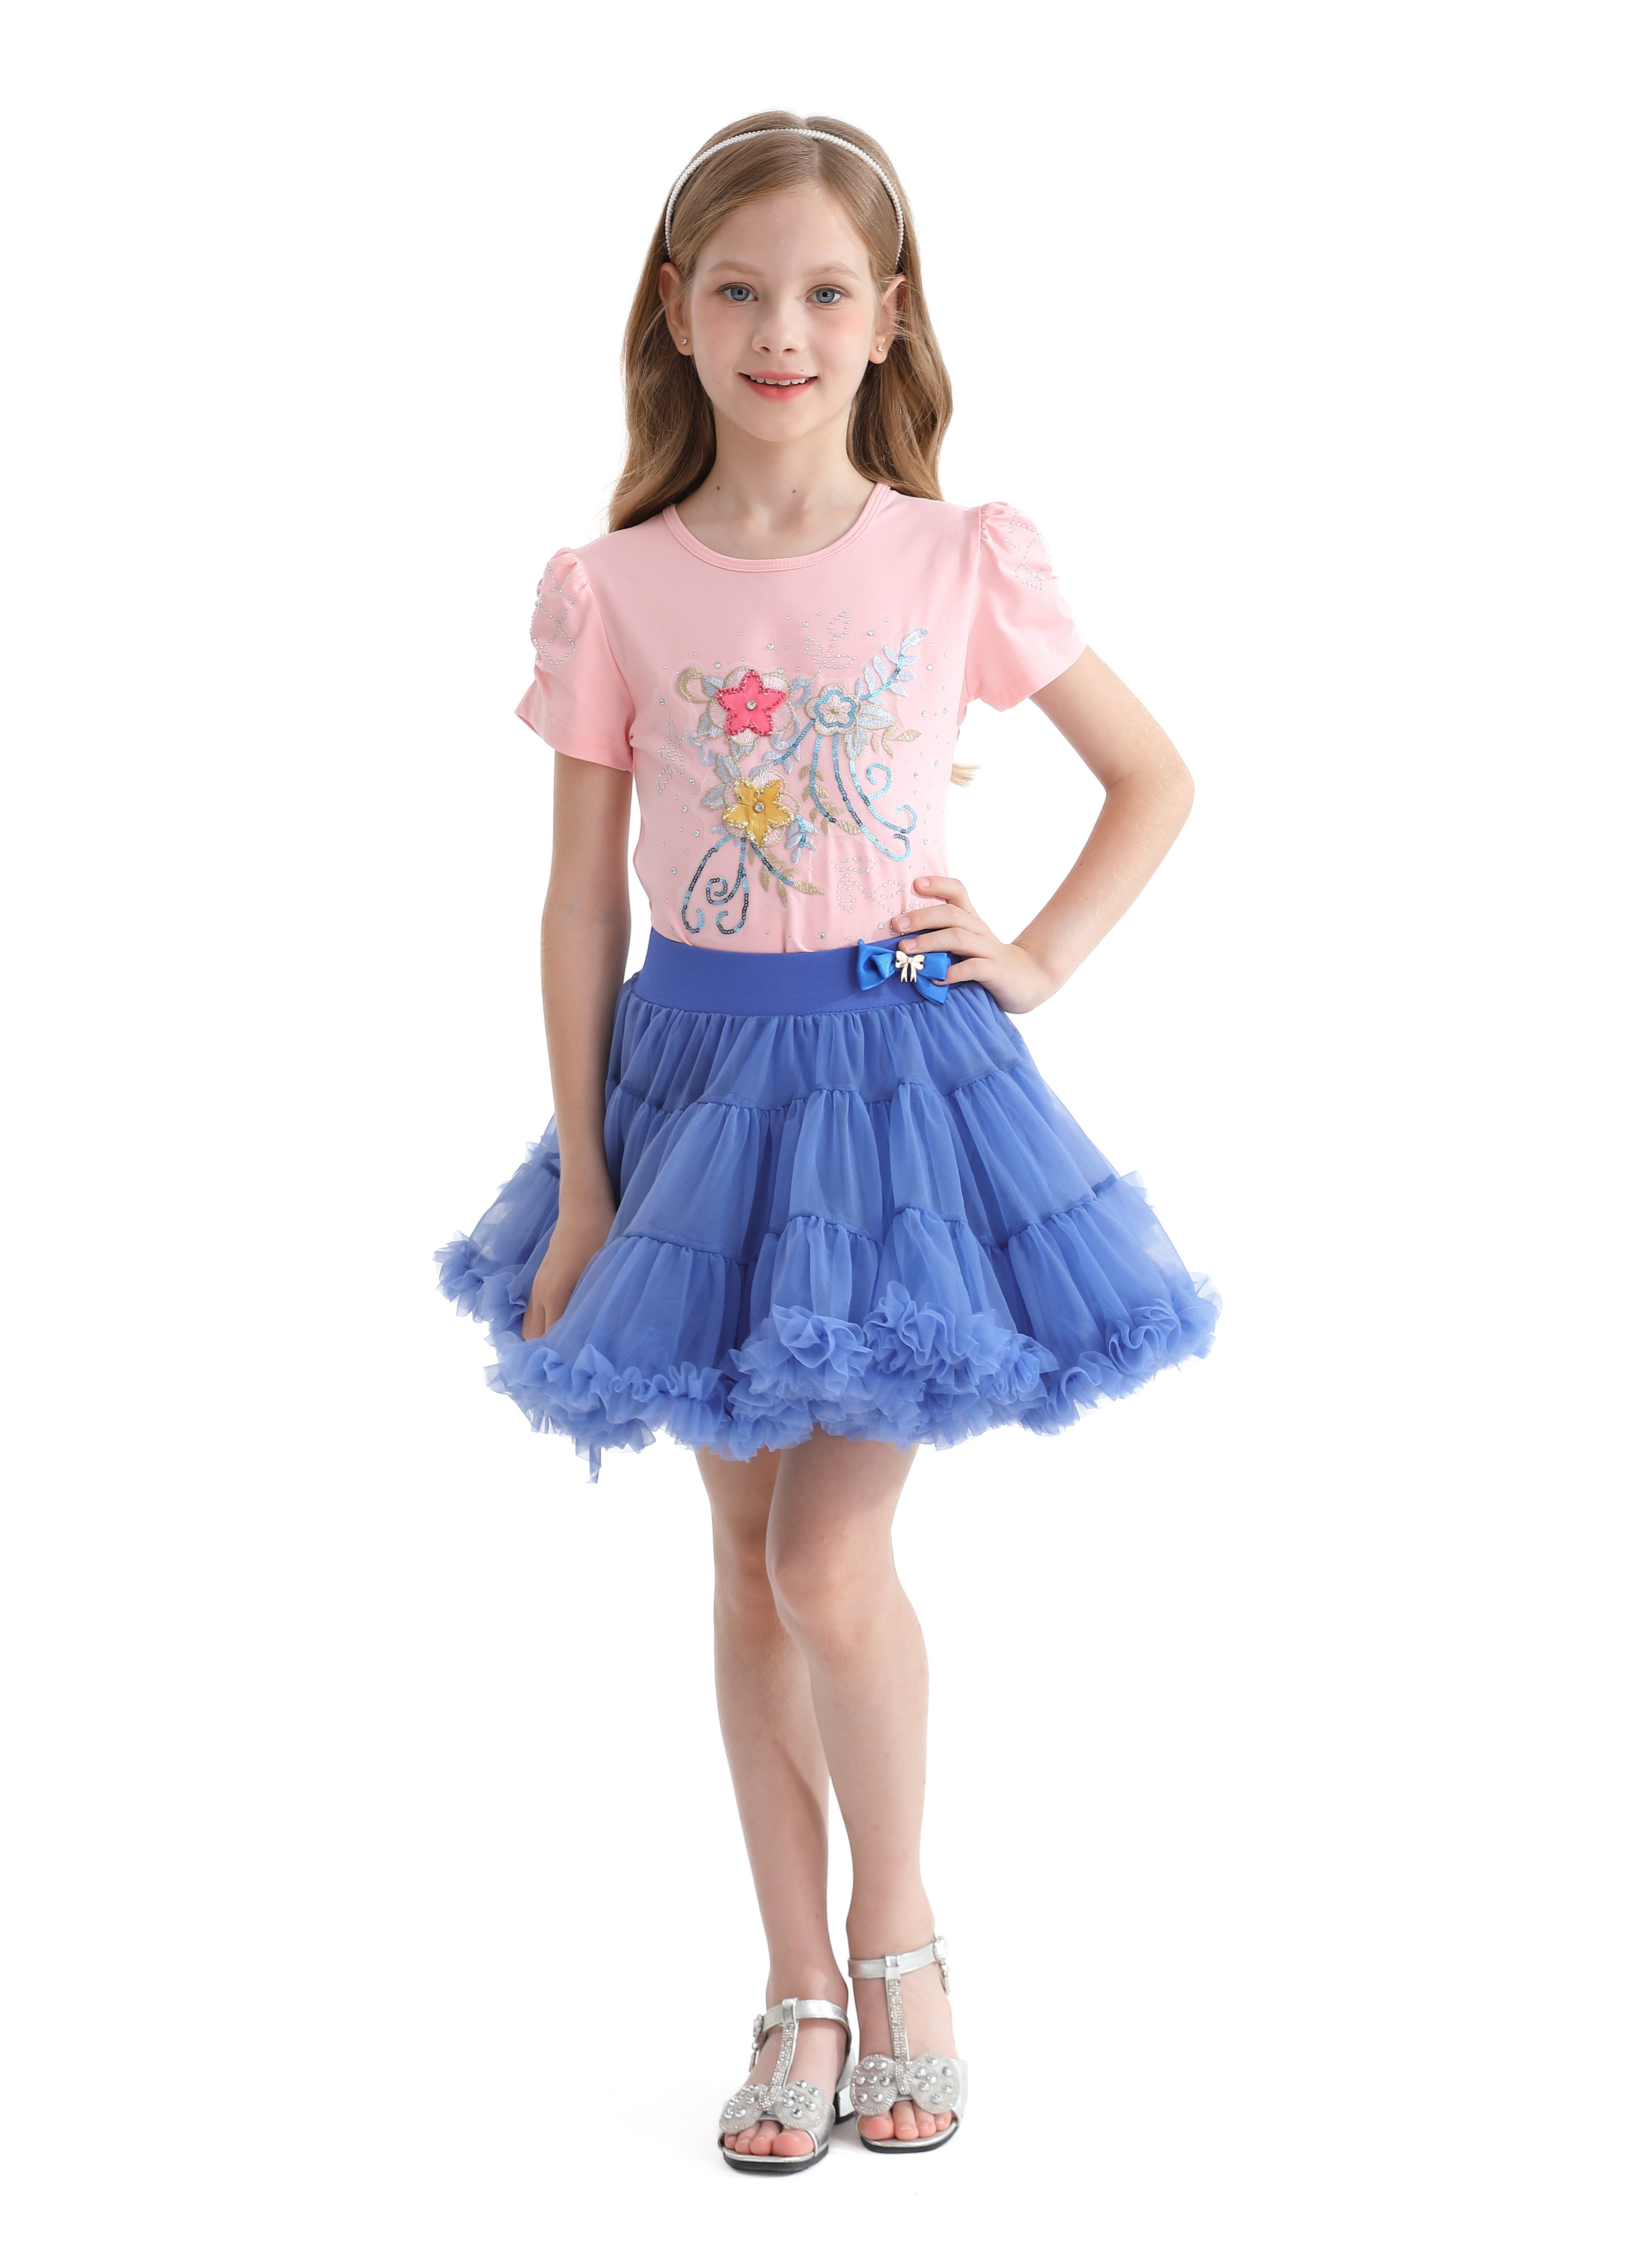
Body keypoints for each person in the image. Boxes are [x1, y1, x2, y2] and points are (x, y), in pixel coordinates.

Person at [437, 112, 1218, 2173]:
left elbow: (1152, 777)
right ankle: (790, 1978)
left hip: (895, 1106)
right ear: (677, 316)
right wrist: (589, 1173)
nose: (781, 328)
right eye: (740, 289)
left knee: (825, 1556)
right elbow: (579, 903)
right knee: (737, 1558)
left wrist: (1036, 956)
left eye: (822, 292)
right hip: (693, 1100)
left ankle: (901, 1941)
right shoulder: (615, 588)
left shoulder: (959, 559)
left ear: (887, 322)